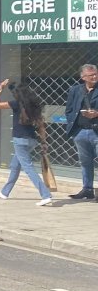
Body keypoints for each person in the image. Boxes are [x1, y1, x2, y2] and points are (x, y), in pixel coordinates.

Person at [0, 79, 53, 205]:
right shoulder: (34, 106)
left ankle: (46, 195)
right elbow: (41, 126)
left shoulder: (15, 104)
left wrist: (0, 88)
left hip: (19, 140)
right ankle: (5, 192)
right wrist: (44, 142)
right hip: (31, 140)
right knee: (15, 166)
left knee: (28, 168)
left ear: (16, 94)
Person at [64, 63, 98, 200]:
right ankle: (87, 189)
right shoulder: (75, 90)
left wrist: (96, 114)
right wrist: (74, 127)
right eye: (91, 75)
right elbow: (69, 109)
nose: (94, 77)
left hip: (96, 131)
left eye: (96, 74)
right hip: (80, 132)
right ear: (83, 77)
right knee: (85, 162)